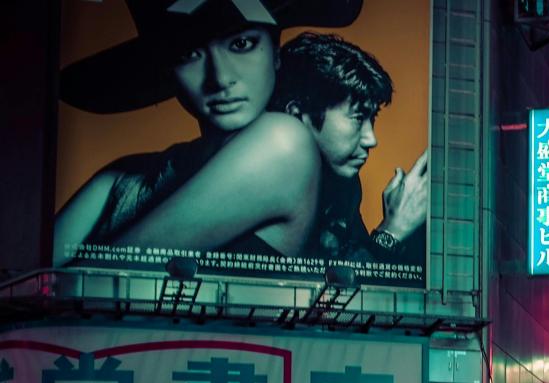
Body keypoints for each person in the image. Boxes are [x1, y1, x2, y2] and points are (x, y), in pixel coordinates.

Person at [52, 0, 363, 265]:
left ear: (275, 53)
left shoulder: (283, 142)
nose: (221, 77)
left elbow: (91, 281)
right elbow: (28, 283)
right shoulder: (123, 177)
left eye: (241, 43)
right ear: (167, 70)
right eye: (189, 53)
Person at [272, 32, 429, 265]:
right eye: (358, 117)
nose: (371, 139)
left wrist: (406, 216)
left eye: (372, 118)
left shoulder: (343, 185)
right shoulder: (266, 187)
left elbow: (354, 279)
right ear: (297, 115)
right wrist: (392, 230)